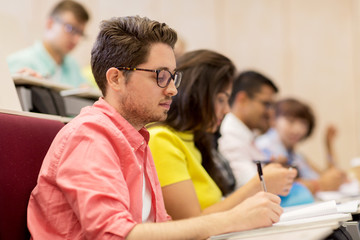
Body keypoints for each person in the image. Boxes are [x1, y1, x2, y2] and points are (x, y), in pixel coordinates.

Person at [27, 16, 283, 239]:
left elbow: (158, 225)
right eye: (160, 76)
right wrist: (232, 219)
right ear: (116, 78)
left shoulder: (136, 137)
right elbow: (115, 233)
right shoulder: (89, 136)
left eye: (173, 77)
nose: (172, 89)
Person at [148, 51, 296, 220]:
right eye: (220, 100)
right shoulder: (161, 139)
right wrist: (257, 185)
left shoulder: (193, 140)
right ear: (195, 96)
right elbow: (191, 222)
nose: (226, 110)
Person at [255, 98, 348, 193]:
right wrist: (321, 184)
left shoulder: (295, 155)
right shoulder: (265, 147)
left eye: (303, 123)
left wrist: (328, 144)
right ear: (273, 120)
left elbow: (324, 177)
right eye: (291, 121)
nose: (297, 129)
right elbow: (279, 186)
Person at [7, 0, 90, 88]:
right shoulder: (20, 62)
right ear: (50, 24)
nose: (76, 40)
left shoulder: (73, 67)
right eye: (70, 29)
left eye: (80, 33)